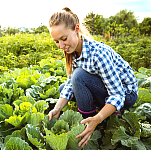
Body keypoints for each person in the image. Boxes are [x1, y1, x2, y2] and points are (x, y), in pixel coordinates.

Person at [48, 7, 138, 148]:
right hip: (105, 87)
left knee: (78, 76)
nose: (61, 45)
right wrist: (57, 108)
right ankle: (98, 108)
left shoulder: (98, 54)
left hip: (126, 94)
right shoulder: (71, 52)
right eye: (56, 41)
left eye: (64, 39)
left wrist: (98, 118)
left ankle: (91, 122)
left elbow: (118, 94)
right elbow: (70, 85)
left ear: (77, 29)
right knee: (63, 88)